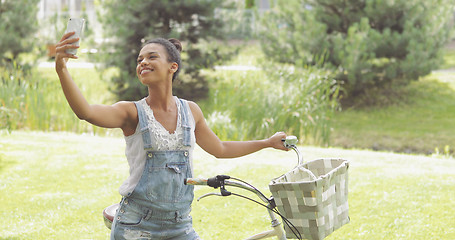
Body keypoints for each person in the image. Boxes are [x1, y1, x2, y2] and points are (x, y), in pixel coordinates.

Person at [55, 31, 288, 240]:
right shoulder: (131, 112)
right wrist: (62, 69)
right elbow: (85, 112)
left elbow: (221, 149)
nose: (143, 62)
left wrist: (267, 143)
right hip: (136, 225)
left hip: (180, 225)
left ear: (172, 66)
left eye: (151, 57)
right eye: (139, 60)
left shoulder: (191, 111)